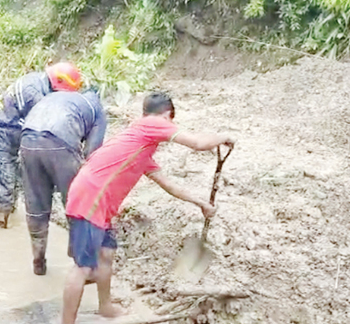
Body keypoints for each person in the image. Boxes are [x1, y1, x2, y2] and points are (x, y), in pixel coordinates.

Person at [61, 92, 234, 324]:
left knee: (107, 253)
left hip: (96, 200)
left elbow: (168, 185)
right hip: (90, 199)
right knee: (82, 267)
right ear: (166, 115)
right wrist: (224, 136)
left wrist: (200, 203)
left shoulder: (141, 147)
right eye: (171, 121)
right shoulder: (151, 124)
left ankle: (105, 306)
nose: (171, 126)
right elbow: (198, 144)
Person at [0, 62, 83, 228]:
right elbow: (47, 126)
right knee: (5, 174)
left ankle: (3, 205)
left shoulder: (41, 83)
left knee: (16, 175)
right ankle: (3, 220)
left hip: (13, 128)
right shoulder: (34, 93)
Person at [20, 88, 107, 276]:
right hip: (60, 142)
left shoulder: (54, 97)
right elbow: (92, 153)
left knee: (36, 203)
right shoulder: (96, 109)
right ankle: (79, 262)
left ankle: (38, 261)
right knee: (76, 204)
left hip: (27, 139)